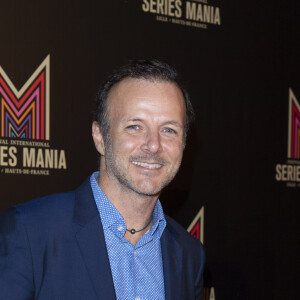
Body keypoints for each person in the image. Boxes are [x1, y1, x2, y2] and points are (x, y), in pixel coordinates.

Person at [0, 59, 205, 299]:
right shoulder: (28, 231)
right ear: (99, 137)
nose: (153, 145)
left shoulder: (190, 254)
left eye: (169, 130)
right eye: (134, 126)